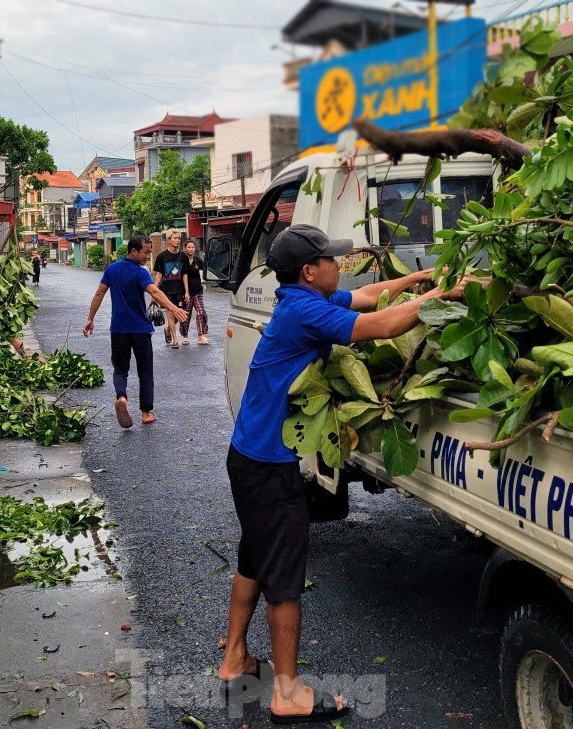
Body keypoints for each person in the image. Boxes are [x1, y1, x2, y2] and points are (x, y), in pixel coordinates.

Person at [216, 224, 467, 724]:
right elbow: (383, 326)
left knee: (254, 557)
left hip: (249, 458)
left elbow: (371, 296)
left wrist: (419, 278)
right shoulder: (308, 312)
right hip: (268, 467)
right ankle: (287, 694)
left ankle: (234, 659)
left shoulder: (301, 301)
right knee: (284, 581)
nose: (340, 264)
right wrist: (446, 294)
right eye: (332, 258)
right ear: (311, 272)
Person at [82, 235, 186, 428]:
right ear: (133, 251)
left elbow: (99, 293)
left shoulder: (112, 269)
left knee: (120, 369)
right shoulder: (140, 272)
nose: (148, 256)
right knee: (145, 371)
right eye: (146, 252)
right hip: (139, 329)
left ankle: (122, 398)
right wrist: (174, 308)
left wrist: (90, 318)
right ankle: (146, 413)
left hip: (119, 329)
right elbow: (154, 292)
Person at [152, 229, 187, 349]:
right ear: (169, 240)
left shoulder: (183, 256)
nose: (178, 240)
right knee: (171, 314)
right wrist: (154, 290)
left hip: (180, 290)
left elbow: (185, 275)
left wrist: (187, 291)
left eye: (179, 238)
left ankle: (168, 329)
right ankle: (175, 340)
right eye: (175, 238)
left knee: (179, 315)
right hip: (166, 290)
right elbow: (159, 275)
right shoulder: (162, 256)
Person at [180, 238, 209, 345]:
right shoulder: (181, 260)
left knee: (201, 312)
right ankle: (184, 336)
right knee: (185, 315)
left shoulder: (198, 260)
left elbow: (206, 269)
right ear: (185, 248)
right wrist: (185, 292)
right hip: (185, 292)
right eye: (189, 247)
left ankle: (201, 336)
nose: (191, 249)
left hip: (198, 291)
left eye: (193, 247)